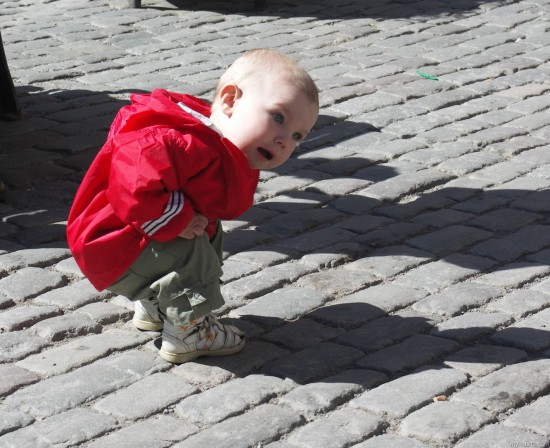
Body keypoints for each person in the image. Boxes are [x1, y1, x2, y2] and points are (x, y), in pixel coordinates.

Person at [66, 49, 319, 364]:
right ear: (229, 101)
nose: (284, 139)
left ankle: (156, 306)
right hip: (113, 243)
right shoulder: (182, 140)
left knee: (205, 231)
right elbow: (134, 185)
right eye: (278, 117)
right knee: (194, 251)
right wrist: (179, 219)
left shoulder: (211, 141)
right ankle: (188, 332)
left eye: (297, 135)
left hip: (123, 241)